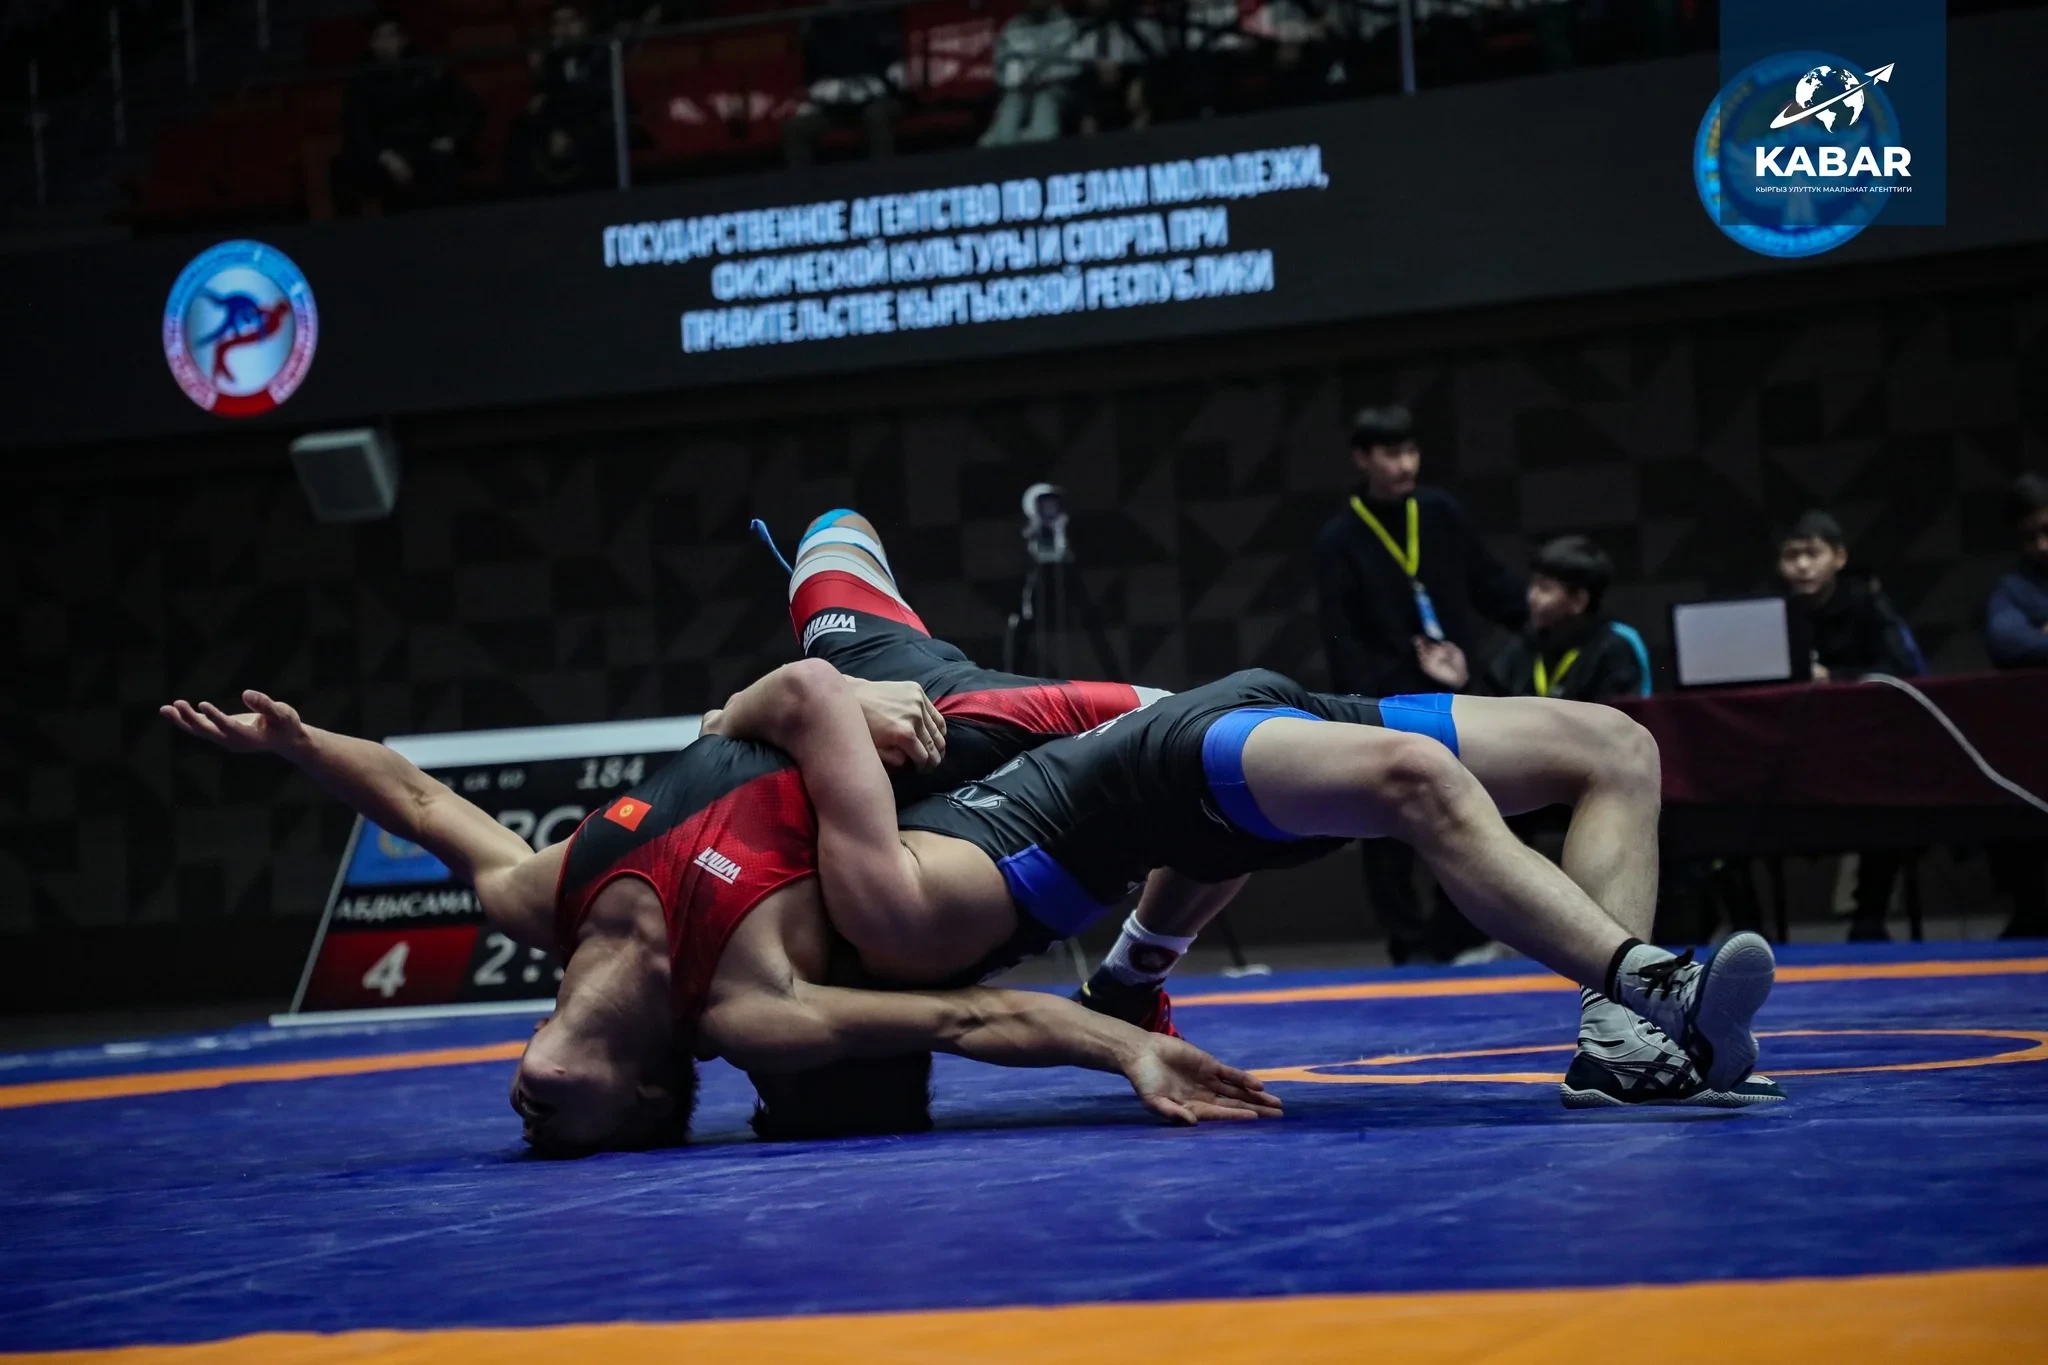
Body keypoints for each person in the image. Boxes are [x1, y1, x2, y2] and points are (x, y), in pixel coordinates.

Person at [735, 516, 1785, 1112]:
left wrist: (787, 704)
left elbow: (833, 534)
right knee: (1377, 777)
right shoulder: (900, 905)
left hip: (1199, 726)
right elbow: (975, 1014)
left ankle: (1622, 1040)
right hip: (1164, 745)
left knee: (1616, 746)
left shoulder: (858, 669)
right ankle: (1651, 985)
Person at [161, 681, 1277, 1155]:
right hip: (966, 758)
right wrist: (1128, 1048)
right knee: (1231, 738)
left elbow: (416, 801)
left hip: (860, 699)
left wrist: (299, 747)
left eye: (529, 1132)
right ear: (648, 1096)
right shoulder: (750, 1011)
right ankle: (1143, 966)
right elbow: (969, 1018)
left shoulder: (542, 897)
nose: (527, 1119)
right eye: (554, 1137)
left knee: (832, 541)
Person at [1313, 403, 1527, 963]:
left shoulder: (1439, 512)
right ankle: (1408, 943)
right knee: (1386, 826)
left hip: (1455, 694)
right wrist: (1369, 703)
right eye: (1391, 454)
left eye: (1411, 451)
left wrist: (1540, 622)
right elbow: (1340, 635)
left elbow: (1488, 582)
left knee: (1467, 810)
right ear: (1363, 459)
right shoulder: (1340, 538)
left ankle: (1460, 932)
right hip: (1384, 702)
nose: (1405, 464)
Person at [1777, 509, 1921, 941]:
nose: (1802, 565)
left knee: (1888, 803)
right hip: (1789, 754)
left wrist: (1835, 679)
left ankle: (1869, 916)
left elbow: (1900, 668)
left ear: (1839, 557)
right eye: (1791, 556)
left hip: (1864, 750)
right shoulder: (1772, 610)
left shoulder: (1867, 603)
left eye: (1812, 553)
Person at [1983, 473, 2048, 938]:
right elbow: (2007, 642)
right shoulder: (2013, 589)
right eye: (2031, 537)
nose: (2043, 545)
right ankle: (2030, 910)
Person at [335, 18, 481, 214]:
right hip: (385, 152)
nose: (386, 42)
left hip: (427, 146)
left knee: (444, 167)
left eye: (391, 35)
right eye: (379, 37)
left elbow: (465, 105)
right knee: (384, 181)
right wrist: (386, 157)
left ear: (403, 39)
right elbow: (356, 126)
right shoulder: (361, 78)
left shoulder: (427, 68)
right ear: (371, 43)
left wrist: (451, 138)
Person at [1485, 536, 1645, 702]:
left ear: (1578, 601)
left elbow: (1621, 714)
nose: (1532, 597)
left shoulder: (1617, 647)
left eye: (1545, 588)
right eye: (1533, 585)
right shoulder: (1525, 645)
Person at [504, 4, 615, 193]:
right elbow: (545, 100)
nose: (565, 28)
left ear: (584, 25)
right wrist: (554, 129)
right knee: (522, 130)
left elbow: (600, 98)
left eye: (571, 20)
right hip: (556, 126)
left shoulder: (601, 53)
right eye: (558, 23)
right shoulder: (550, 61)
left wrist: (570, 132)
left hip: (592, 122)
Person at [783, 0, 902, 169]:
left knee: (876, 116)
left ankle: (882, 177)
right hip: (835, 108)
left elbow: (895, 69)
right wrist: (829, 93)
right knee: (794, 127)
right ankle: (803, 183)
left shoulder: (875, 18)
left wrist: (872, 86)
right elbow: (812, 80)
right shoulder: (817, 28)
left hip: (878, 99)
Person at [980, 0, 1078, 146]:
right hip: (1018, 90)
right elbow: (1001, 68)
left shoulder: (1065, 24)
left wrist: (1045, 77)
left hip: (1054, 90)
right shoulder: (1013, 27)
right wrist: (1018, 80)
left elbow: (1073, 66)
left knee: (1043, 130)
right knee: (1005, 131)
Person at [1066, 0, 1159, 136]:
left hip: (1132, 83)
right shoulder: (1085, 34)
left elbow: (1156, 61)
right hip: (1099, 91)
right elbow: (1074, 67)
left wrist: (1139, 79)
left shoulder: (1142, 27)